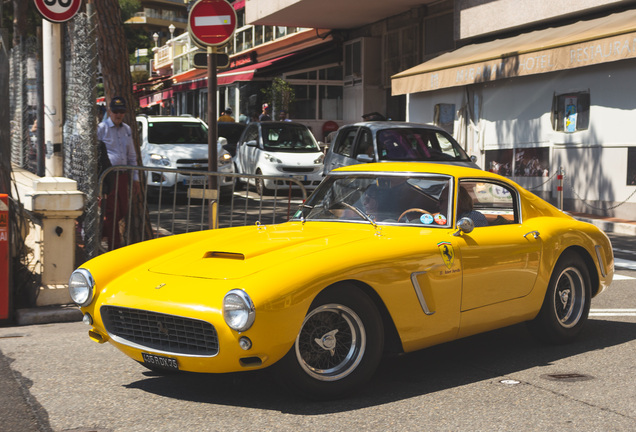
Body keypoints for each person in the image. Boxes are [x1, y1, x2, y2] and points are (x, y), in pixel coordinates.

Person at [97, 96, 140, 250]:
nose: (118, 115)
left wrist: (135, 179)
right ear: (110, 111)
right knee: (110, 211)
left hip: (123, 176)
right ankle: (114, 245)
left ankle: (97, 235)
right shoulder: (102, 128)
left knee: (121, 210)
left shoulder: (127, 129)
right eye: (115, 111)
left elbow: (132, 155)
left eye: (121, 111)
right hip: (109, 176)